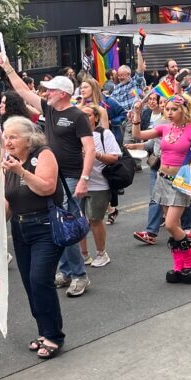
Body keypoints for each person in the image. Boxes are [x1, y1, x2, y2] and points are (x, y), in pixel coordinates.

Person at [0, 55, 95, 298]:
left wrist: (84, 179)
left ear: (63, 93)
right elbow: (22, 91)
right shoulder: (49, 110)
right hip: (47, 173)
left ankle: (79, 275)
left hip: (69, 177)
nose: (46, 92)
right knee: (55, 223)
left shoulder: (78, 116)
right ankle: (65, 270)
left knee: (63, 223)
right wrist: (8, 68)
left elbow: (90, 148)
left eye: (51, 90)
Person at [2, 116, 65, 359]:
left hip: (45, 227)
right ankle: (44, 331)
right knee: (30, 283)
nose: (7, 142)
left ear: (29, 139)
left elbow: (47, 187)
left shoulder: (43, 154)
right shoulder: (9, 160)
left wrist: (21, 171)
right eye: (5, 137)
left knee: (40, 279)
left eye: (13, 137)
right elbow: (9, 198)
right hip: (20, 228)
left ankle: (54, 336)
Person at [132, 94, 191, 283]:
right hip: (162, 180)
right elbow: (138, 135)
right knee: (175, 227)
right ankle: (178, 266)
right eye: (168, 109)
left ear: (184, 111)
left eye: (174, 109)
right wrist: (137, 115)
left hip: (181, 183)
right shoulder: (164, 128)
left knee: (171, 224)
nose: (170, 113)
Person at [79, 106, 120, 268]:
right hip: (78, 183)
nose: (84, 118)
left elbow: (114, 157)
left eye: (87, 115)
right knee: (79, 221)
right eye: (81, 115)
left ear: (95, 118)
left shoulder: (104, 134)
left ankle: (101, 253)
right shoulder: (75, 134)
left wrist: (94, 154)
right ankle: (84, 255)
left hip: (99, 184)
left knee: (95, 220)